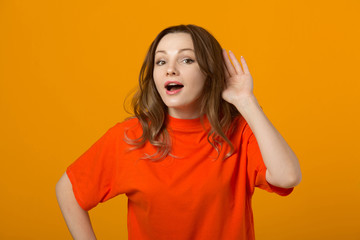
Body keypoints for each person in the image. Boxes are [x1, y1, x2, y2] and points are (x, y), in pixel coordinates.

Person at [55, 24, 302, 240]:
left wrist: (246, 101)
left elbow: (287, 176)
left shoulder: (237, 132)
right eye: (161, 61)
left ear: (210, 72)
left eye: (186, 60)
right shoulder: (130, 136)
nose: (170, 69)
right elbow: (68, 190)